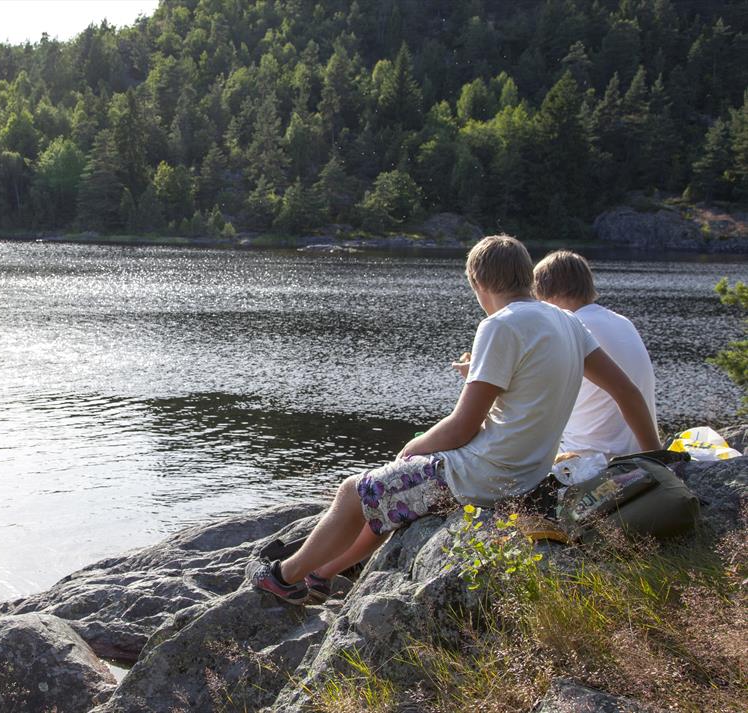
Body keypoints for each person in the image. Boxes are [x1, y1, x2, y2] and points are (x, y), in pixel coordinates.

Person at [246, 235, 662, 605]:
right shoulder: (569, 323)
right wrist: (654, 458)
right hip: (531, 476)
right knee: (399, 488)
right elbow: (626, 390)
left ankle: (284, 578)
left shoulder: (499, 326)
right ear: (525, 277)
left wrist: (415, 446)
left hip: (484, 476)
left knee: (354, 491)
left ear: (478, 282)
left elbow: (464, 425)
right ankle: (326, 573)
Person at [533, 250, 657, 460]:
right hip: (636, 452)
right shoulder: (621, 321)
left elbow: (529, 396)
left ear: (549, 295)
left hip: (593, 459)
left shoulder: (571, 327)